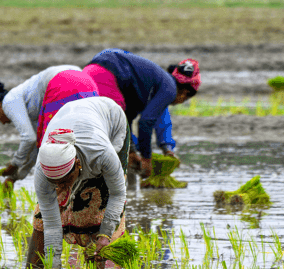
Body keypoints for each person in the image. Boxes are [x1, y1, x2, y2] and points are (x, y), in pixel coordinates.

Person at [25, 96, 130, 269]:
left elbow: (117, 194)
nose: (61, 187)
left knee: (97, 211)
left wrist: (105, 235)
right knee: (41, 217)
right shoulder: (42, 171)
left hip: (111, 122)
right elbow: (52, 224)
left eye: (64, 181)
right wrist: (53, 265)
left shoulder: (102, 154)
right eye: (54, 183)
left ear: (78, 165)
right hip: (71, 116)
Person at [82, 49, 200, 177]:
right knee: (109, 136)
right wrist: (146, 158)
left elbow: (126, 120)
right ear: (185, 94)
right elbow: (145, 122)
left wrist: (131, 151)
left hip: (89, 72)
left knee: (103, 132)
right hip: (107, 75)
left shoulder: (149, 87)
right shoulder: (170, 89)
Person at [0, 66, 98, 187]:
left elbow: (29, 138)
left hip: (63, 83)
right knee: (82, 138)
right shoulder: (29, 106)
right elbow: (35, 146)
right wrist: (14, 177)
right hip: (87, 81)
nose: (3, 123)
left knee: (53, 148)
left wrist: (14, 164)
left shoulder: (8, 102)